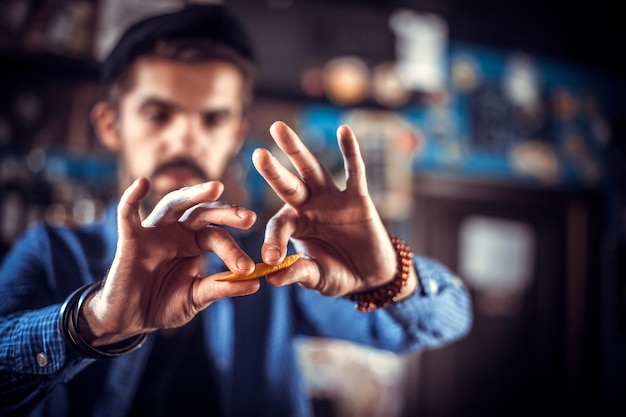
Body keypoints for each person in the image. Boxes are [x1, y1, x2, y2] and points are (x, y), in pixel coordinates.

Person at [0, 4, 472, 417]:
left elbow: (448, 319)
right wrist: (92, 324)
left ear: (237, 132)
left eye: (213, 118)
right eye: (159, 115)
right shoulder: (49, 253)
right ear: (109, 124)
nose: (186, 138)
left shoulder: (280, 264)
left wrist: (389, 277)